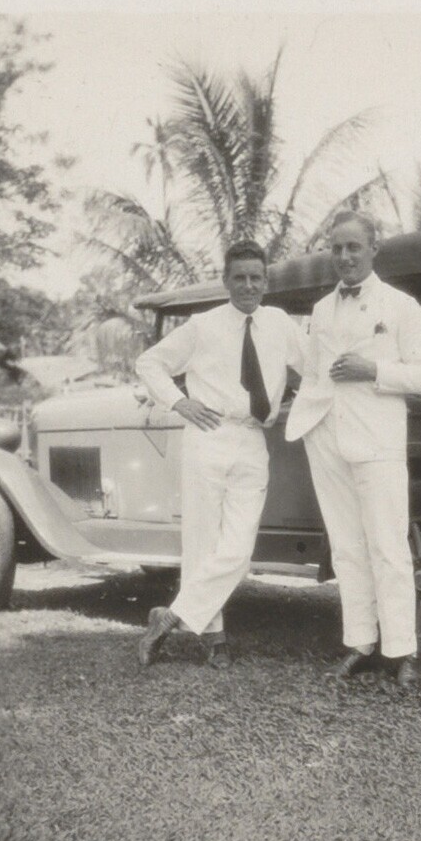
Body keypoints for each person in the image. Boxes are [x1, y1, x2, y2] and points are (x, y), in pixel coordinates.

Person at [135, 240, 306, 669]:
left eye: (256, 278)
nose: (248, 285)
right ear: (226, 281)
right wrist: (179, 402)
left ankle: (169, 617)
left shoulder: (281, 324)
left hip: (252, 438)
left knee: (238, 551)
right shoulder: (203, 325)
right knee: (202, 543)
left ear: (266, 282)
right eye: (240, 277)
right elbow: (150, 363)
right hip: (208, 435)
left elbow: (316, 365)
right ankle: (214, 639)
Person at [285, 211, 421, 686]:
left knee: (388, 546)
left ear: (374, 248)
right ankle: (360, 644)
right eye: (336, 248)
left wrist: (373, 371)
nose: (345, 256)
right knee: (347, 548)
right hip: (326, 438)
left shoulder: (402, 306)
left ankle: (402, 651)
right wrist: (309, 423)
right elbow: (314, 373)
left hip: (377, 440)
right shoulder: (321, 309)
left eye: (353, 246)